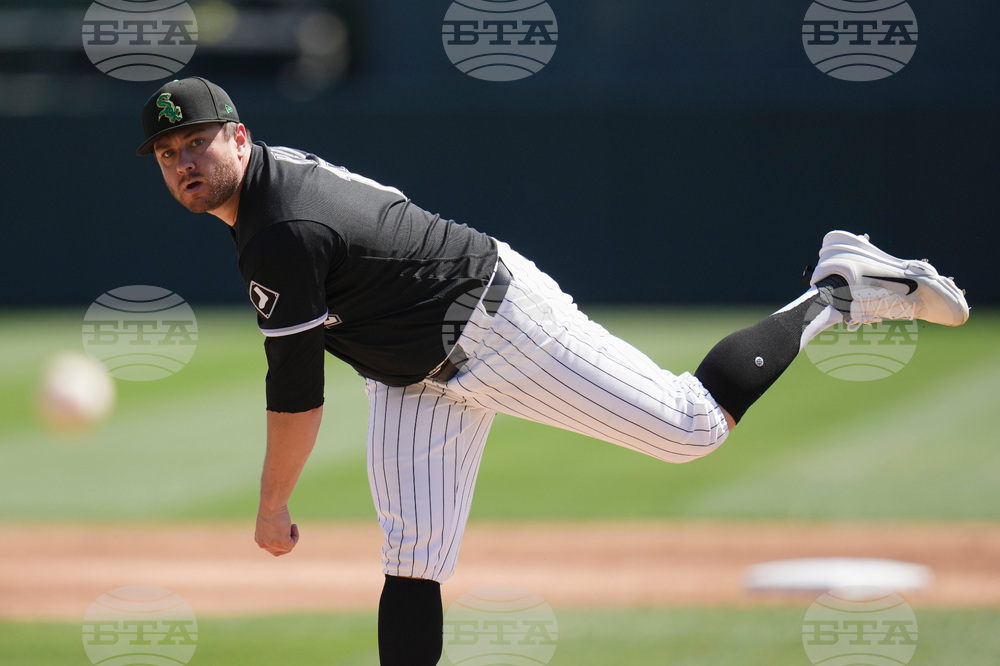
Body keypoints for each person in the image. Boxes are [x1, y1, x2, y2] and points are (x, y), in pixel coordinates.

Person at [137, 77, 969, 665]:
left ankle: (838, 287)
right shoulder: (270, 189)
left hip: (493, 323)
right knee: (413, 559)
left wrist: (273, 504)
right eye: (168, 152)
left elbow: (296, 391)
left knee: (691, 427)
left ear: (238, 136)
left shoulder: (279, 225)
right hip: (409, 366)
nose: (184, 161)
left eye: (198, 141)